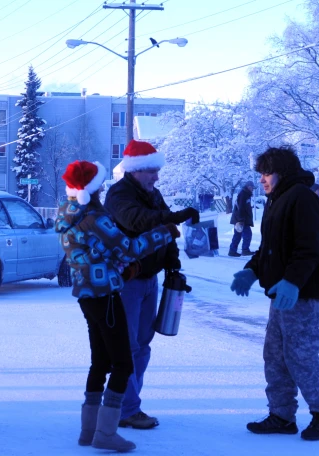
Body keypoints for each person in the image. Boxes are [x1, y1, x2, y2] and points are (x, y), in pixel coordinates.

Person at [56, 160, 180, 451]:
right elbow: (129, 246)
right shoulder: (95, 217)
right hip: (106, 296)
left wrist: (120, 266)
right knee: (123, 364)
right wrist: (166, 231)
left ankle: (89, 431)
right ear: (94, 188)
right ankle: (106, 433)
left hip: (87, 295)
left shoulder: (71, 213)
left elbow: (98, 251)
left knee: (100, 362)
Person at [229, 145, 319, 441]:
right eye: (261, 174)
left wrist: (292, 281)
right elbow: (271, 248)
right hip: (282, 293)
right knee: (276, 355)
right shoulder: (277, 199)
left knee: (300, 354)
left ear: (283, 172)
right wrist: (252, 269)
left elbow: (310, 248)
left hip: (302, 293)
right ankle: (281, 415)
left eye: (267, 173)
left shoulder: (301, 198)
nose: (262, 179)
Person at [103, 139, 198, 430]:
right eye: (151, 172)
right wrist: (173, 216)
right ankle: (125, 408)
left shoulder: (153, 194)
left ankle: (126, 405)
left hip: (149, 280)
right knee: (127, 347)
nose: (156, 177)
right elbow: (138, 221)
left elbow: (166, 231)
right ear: (136, 170)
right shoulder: (119, 196)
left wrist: (172, 261)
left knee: (142, 346)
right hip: (126, 281)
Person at [228, 181, 256, 257]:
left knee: (237, 235)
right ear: (248, 187)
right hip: (241, 220)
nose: (253, 189)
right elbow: (241, 208)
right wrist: (241, 220)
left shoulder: (246, 194)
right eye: (252, 188)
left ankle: (232, 251)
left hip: (241, 219)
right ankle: (245, 250)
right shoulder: (243, 194)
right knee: (247, 234)